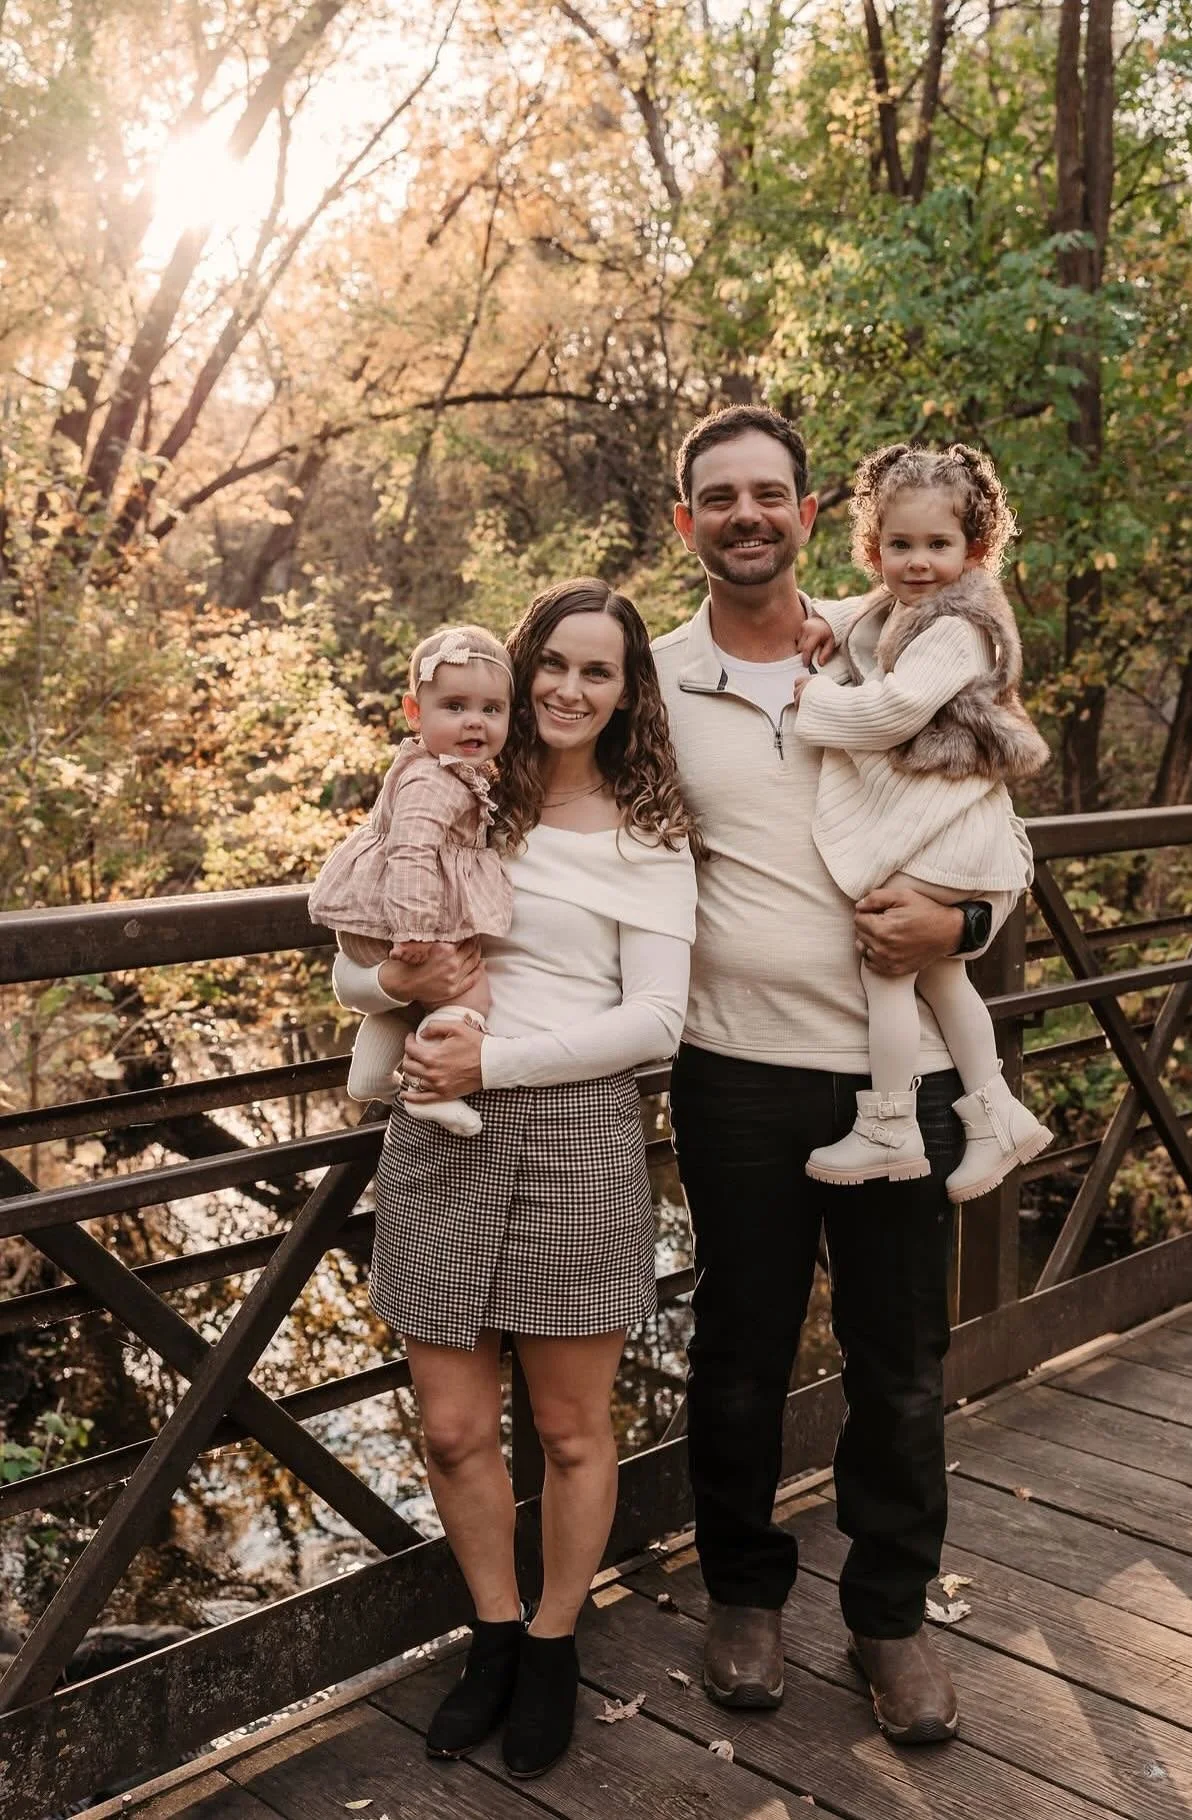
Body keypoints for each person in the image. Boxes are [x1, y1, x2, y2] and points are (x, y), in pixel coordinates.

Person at [655, 405, 1030, 1745]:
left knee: (902, 1366)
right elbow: (567, 837)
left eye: (771, 493)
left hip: (910, 1074)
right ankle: (744, 1597)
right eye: (720, 498)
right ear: (685, 523)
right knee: (741, 1355)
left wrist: (967, 925)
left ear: (812, 517)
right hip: (736, 1074)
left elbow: (996, 829)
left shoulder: (895, 642)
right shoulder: (651, 680)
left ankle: (890, 1622)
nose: (746, 514)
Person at [332, 580, 697, 1780]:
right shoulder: (455, 787)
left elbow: (657, 1021)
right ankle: (490, 1630)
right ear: (519, 665)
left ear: (627, 691)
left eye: (599, 671)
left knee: (570, 1429)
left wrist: (503, 1052)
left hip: (579, 1133)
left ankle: (552, 1640)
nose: (568, 689)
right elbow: (353, 966)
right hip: (440, 1132)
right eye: (553, 664)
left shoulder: (651, 832)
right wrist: (400, 991)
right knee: (447, 1429)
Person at [792, 442, 1051, 1196]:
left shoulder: (960, 627)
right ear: (875, 549)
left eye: (937, 546)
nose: (916, 563)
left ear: (974, 550)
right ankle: (995, 1113)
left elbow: (894, 709)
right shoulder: (905, 603)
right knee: (941, 980)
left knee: (886, 963)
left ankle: (889, 1126)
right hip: (950, 832)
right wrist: (820, 623)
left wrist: (816, 701)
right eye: (898, 545)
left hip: (953, 834)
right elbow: (862, 613)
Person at [307, 624, 515, 1135]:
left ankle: (369, 1072)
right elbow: (412, 849)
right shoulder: (434, 778)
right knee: (470, 994)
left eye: (491, 710)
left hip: (383, 918)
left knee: (411, 1003)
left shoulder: (437, 768)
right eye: (456, 707)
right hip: (400, 918)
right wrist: (416, 927)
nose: (474, 723)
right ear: (415, 712)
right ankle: (430, 1092)